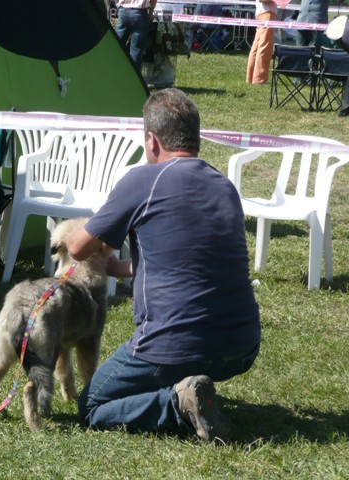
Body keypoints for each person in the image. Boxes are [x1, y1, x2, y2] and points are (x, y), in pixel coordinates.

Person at [68, 88, 262, 443]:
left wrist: (76, 241)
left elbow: (78, 247)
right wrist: (118, 268)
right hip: (241, 346)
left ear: (152, 142)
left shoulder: (143, 179)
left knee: (93, 406)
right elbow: (187, 263)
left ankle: (177, 403)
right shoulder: (224, 186)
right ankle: (191, 389)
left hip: (172, 347)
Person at [114, 0, 157, 71]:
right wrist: (151, 13)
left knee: (117, 46)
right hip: (140, 13)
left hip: (123, 12)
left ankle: (114, 71)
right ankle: (132, 76)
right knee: (135, 50)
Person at [246, 0, 277, 85]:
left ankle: (251, 77)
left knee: (256, 47)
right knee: (265, 47)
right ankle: (260, 79)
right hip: (267, 12)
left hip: (262, 13)